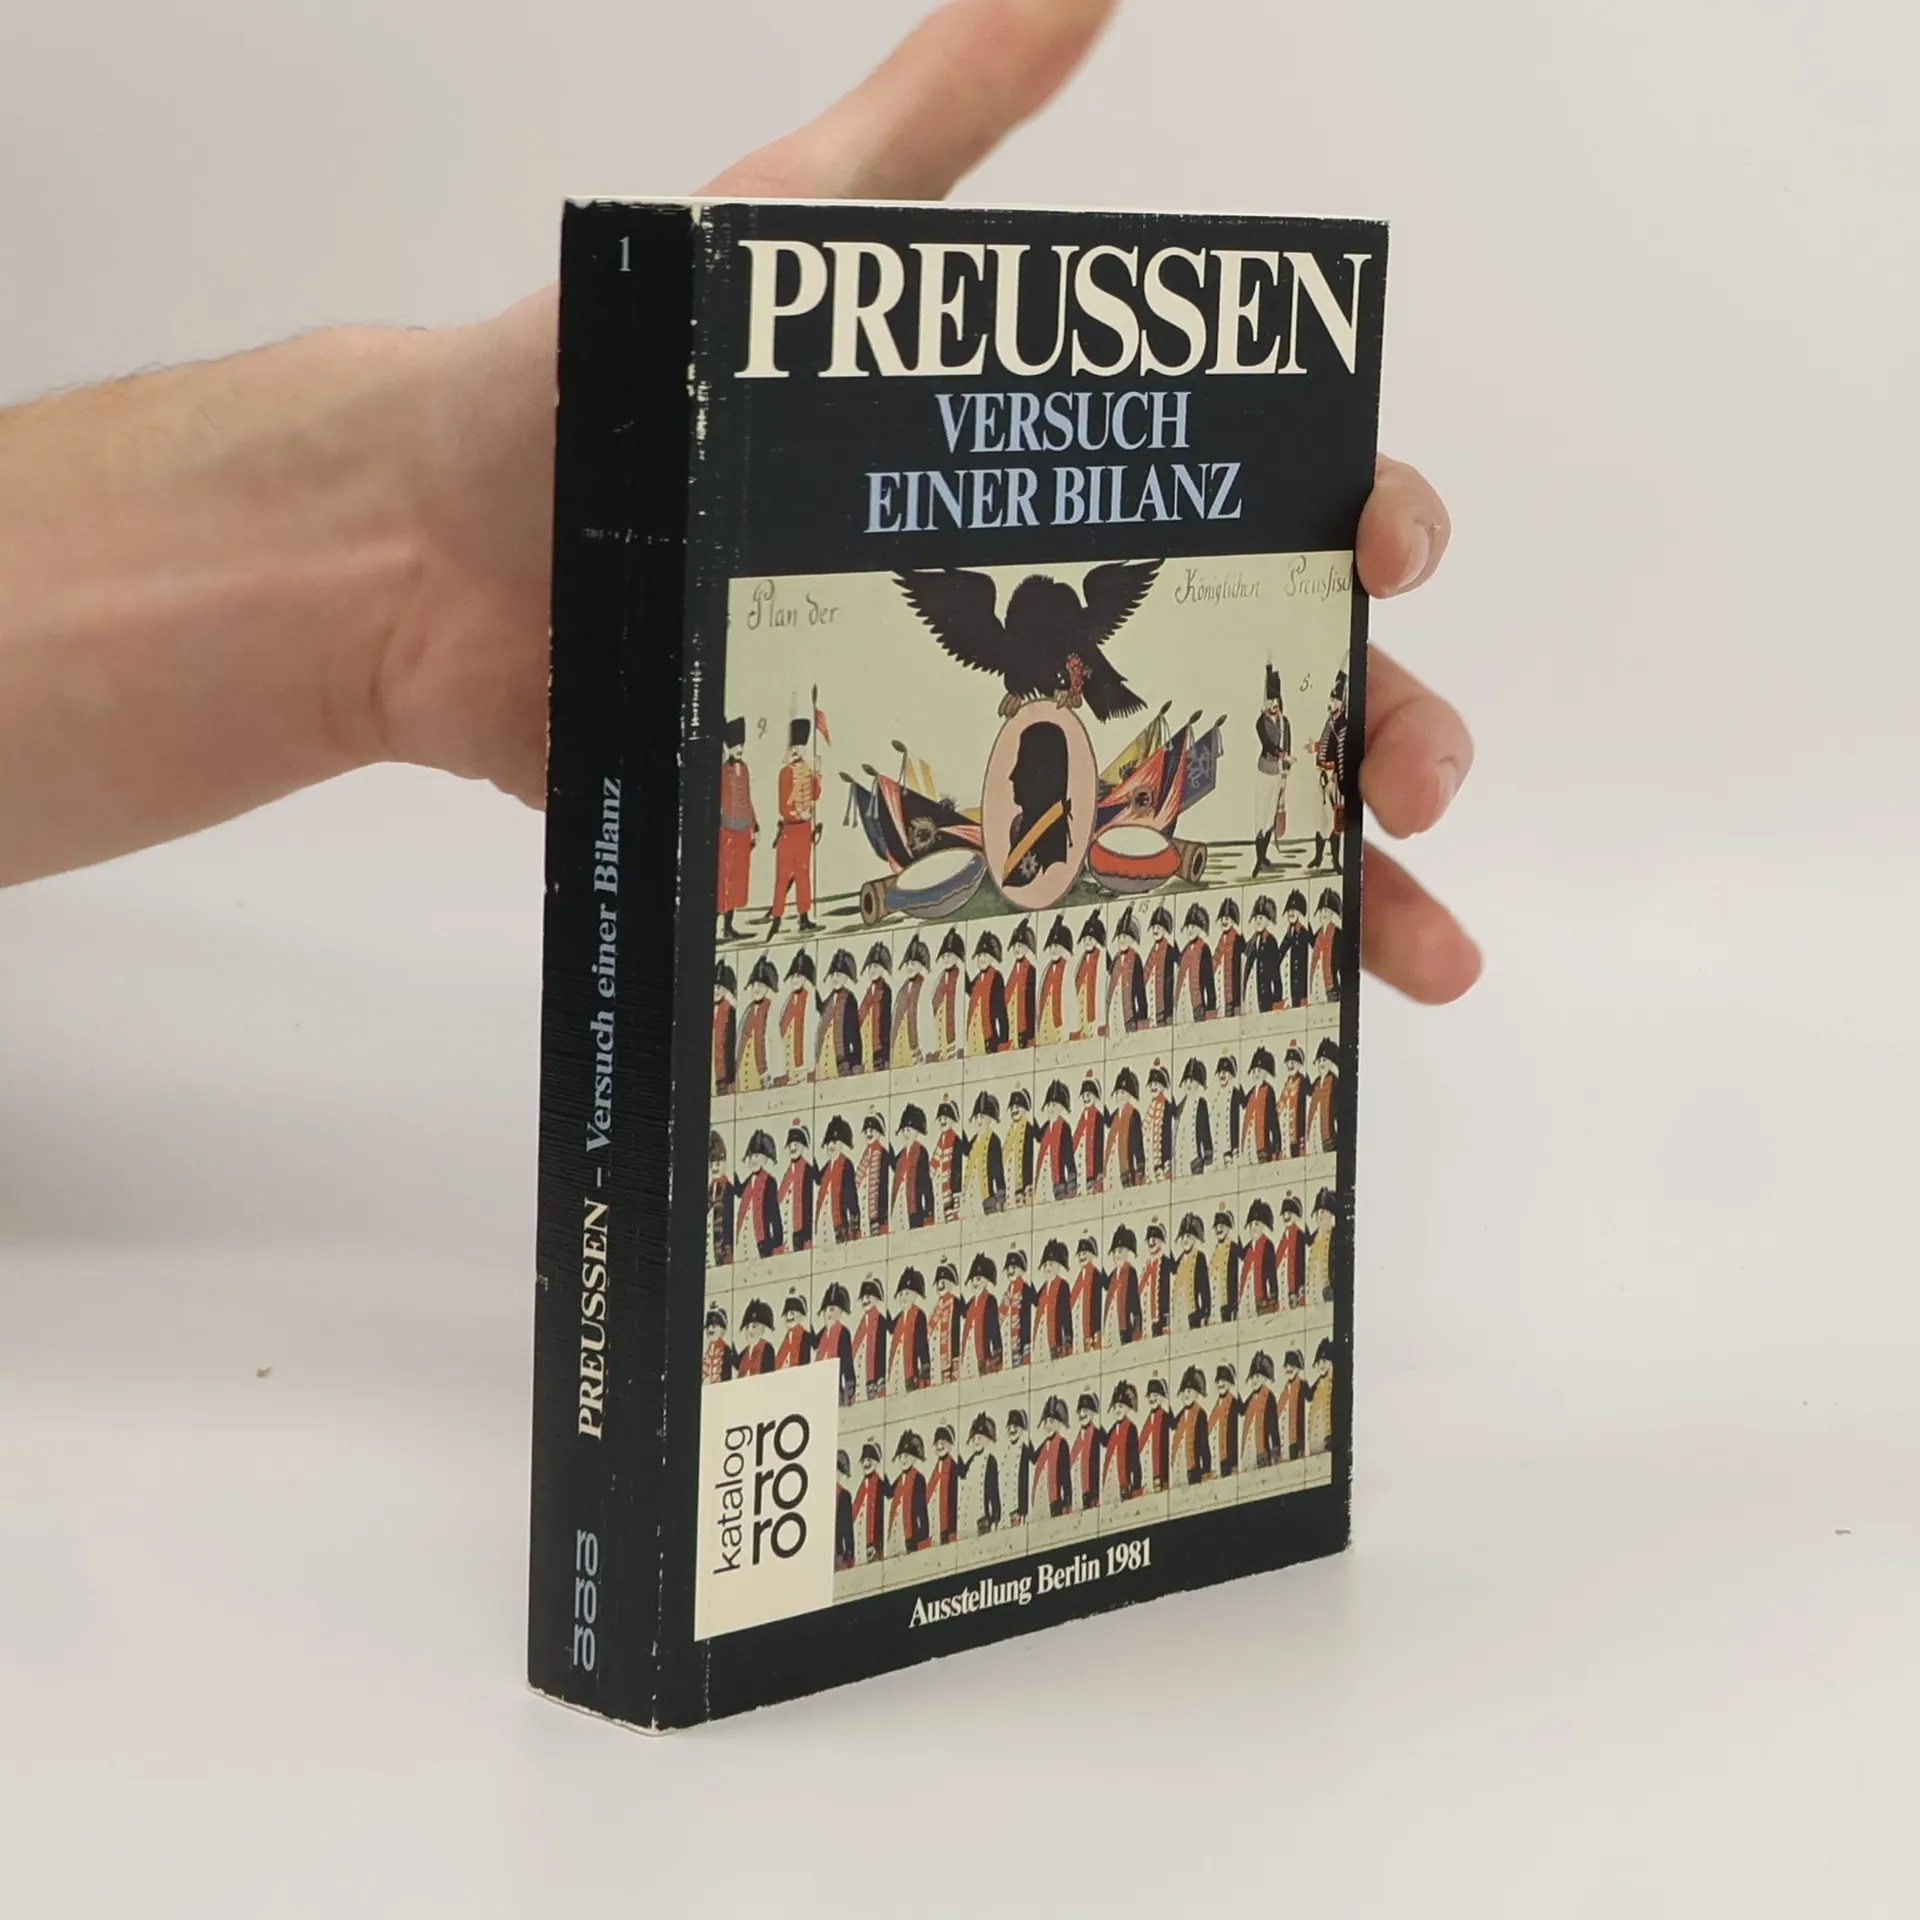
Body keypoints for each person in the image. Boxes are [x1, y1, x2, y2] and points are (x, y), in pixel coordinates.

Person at [0, 0, 1476, 1034]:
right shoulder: (1033, 627)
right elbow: (996, 593)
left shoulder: (1058, 628)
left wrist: (418, 541)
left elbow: (1068, 588)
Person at [768, 717, 821, 934]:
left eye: (801, 746)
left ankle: (804, 916)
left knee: (803, 874)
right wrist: (797, 813)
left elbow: (815, 795)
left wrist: (818, 775)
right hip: (789, 830)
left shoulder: (808, 771)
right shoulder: (785, 773)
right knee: (783, 877)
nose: (798, 750)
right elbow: (783, 807)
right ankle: (776, 918)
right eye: (796, 746)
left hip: (804, 830)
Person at [717, 717, 757, 941]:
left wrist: (755, 825)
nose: (739, 749)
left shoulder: (746, 768)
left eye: (741, 745)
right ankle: (713, 927)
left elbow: (747, 799)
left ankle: (728, 927)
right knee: (725, 879)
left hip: (743, 830)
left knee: (739, 881)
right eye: (734, 746)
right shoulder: (722, 771)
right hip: (726, 831)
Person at [1252, 664, 1293, 872]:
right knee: (1261, 815)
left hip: (1278, 772)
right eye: (1271, 701)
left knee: (1270, 816)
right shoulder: (1260, 722)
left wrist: (1285, 772)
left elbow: (1288, 746)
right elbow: (1267, 744)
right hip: (1264, 770)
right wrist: (1281, 754)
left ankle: (1263, 857)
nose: (1274, 705)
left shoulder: (1285, 723)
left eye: (1276, 701)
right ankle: (1258, 858)